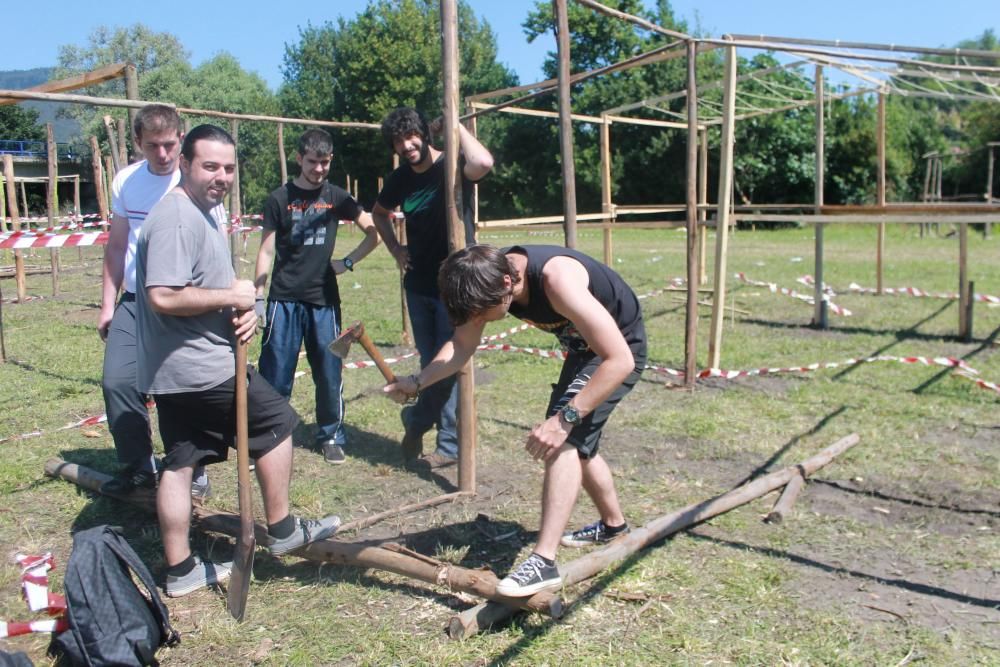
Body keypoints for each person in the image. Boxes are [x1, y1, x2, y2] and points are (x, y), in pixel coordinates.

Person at [136, 125, 340, 597]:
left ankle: (182, 569)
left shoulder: (201, 211)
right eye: (210, 166)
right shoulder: (177, 219)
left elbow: (197, 286)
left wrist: (236, 312)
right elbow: (162, 295)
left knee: (181, 460)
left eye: (228, 168)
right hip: (202, 368)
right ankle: (284, 528)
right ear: (185, 163)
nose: (221, 177)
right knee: (280, 424)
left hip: (175, 368)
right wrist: (233, 294)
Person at [384, 245, 646, 597]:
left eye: (481, 312)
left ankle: (543, 562)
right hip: (585, 349)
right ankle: (615, 526)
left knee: (563, 440)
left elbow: (619, 359)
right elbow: (462, 344)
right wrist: (416, 381)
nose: (477, 319)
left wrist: (564, 419)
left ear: (508, 282)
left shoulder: (557, 280)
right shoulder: (482, 281)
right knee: (580, 445)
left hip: (616, 348)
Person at [96, 104, 209, 499]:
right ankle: (139, 467)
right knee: (117, 382)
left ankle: (191, 466)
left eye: (169, 145)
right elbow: (115, 246)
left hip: (182, 303)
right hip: (133, 301)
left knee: (180, 388)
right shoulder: (127, 182)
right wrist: (108, 305)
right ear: (137, 144)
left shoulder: (198, 180)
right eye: (152, 147)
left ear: (182, 138)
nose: (162, 155)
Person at [371, 108, 493, 468]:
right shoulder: (400, 179)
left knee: (451, 362)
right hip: (419, 283)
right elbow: (379, 213)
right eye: (398, 141)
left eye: (411, 136)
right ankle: (427, 427)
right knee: (432, 363)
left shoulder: (452, 166)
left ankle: (432, 432)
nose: (407, 146)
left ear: (425, 134)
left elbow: (483, 162)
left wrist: (453, 123)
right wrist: (395, 249)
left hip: (457, 284)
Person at [254, 128, 379, 464]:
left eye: (324, 162)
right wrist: (258, 296)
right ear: (299, 158)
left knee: (328, 370)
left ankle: (331, 435)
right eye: (312, 162)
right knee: (275, 372)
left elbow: (373, 233)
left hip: (324, 300)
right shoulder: (279, 199)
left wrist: (347, 262)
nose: (319, 169)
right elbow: (266, 251)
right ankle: (269, 436)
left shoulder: (338, 197)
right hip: (283, 298)